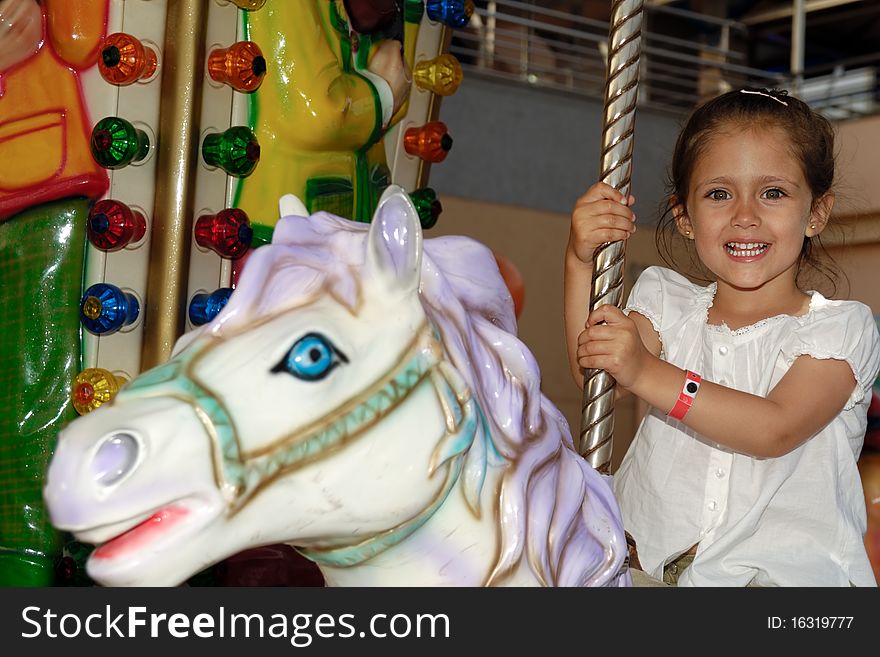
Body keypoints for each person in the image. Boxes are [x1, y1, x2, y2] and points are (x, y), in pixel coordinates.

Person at [564, 88, 880, 586]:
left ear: (816, 212)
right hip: (647, 559)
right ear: (685, 217)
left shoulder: (838, 329)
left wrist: (649, 372)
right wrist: (582, 263)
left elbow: (773, 429)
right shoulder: (667, 303)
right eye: (718, 193)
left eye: (773, 192)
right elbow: (599, 378)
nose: (745, 215)